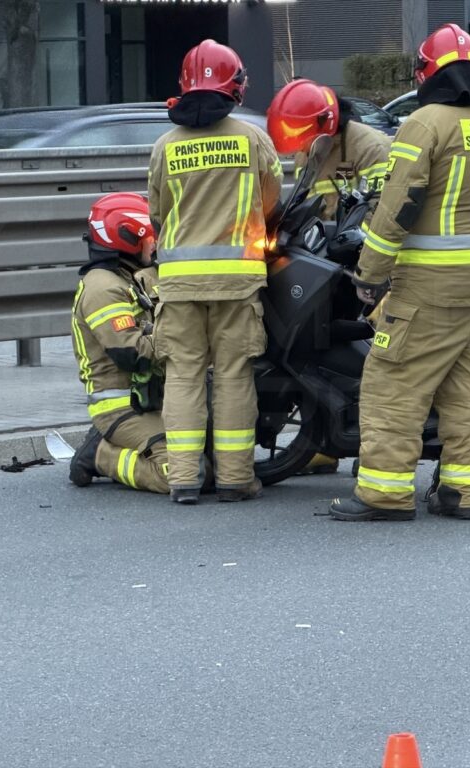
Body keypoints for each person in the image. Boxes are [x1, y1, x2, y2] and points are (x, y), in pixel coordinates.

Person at [328, 23, 470, 522]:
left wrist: (370, 273)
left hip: (430, 287)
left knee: (392, 382)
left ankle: (384, 494)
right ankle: (465, 494)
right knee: (468, 390)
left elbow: (399, 205)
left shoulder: (424, 124)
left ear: (426, 73)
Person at [148, 39, 283, 505]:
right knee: (232, 376)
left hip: (179, 283)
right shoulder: (251, 139)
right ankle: (234, 479)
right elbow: (271, 201)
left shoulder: (166, 145)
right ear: (237, 87)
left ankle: (183, 478)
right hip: (237, 281)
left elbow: (158, 213)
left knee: (183, 375)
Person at [266, 78, 393, 476]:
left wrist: (365, 269)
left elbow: (380, 214)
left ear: (327, 121)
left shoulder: (371, 148)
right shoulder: (311, 149)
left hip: (375, 265)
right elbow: (306, 202)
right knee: (322, 352)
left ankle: (381, 445)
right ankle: (325, 443)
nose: (298, 143)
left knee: (381, 353)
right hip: (331, 263)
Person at [68, 192, 169, 494]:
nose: (154, 243)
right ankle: (101, 455)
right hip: (123, 407)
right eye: (149, 237)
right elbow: (132, 354)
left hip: (151, 398)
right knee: (179, 474)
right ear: (126, 238)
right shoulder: (103, 288)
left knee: (215, 462)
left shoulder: (133, 277)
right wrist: (184, 337)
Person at [266, 78, 391, 220]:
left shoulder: (371, 150)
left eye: (301, 134)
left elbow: (379, 216)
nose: (300, 148)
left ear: (323, 124)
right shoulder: (306, 153)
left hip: (357, 239)